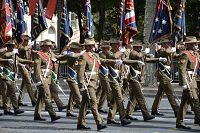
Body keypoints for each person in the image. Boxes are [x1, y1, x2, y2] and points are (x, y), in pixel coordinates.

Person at [76, 38, 117, 131]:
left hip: (94, 83)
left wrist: (114, 61)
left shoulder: (94, 56)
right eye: (92, 45)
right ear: (88, 47)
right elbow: (80, 73)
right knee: (93, 103)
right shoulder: (83, 57)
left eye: (94, 45)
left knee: (84, 104)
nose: (94, 47)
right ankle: (99, 122)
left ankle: (80, 123)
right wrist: (82, 86)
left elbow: (103, 60)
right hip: (88, 84)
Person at [123, 40, 166, 121]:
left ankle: (128, 113)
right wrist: (145, 52)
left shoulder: (139, 53)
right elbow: (138, 56)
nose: (141, 48)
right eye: (139, 46)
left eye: (141, 46)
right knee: (140, 96)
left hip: (138, 77)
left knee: (134, 97)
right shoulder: (133, 53)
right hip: (133, 76)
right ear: (135, 47)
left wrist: (159, 59)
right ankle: (145, 114)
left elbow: (147, 60)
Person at [1, 40, 33, 115]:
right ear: (8, 47)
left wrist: (30, 62)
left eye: (13, 46)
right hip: (6, 74)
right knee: (7, 92)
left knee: (10, 93)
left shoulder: (14, 55)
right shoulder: (4, 54)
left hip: (12, 75)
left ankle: (9, 109)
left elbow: (20, 60)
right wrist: (7, 60)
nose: (13, 48)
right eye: (11, 46)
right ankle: (13, 108)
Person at [106, 37, 132, 126]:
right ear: (112, 45)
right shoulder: (109, 53)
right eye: (117, 44)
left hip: (119, 78)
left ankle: (110, 117)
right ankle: (123, 118)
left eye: (119, 44)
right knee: (119, 98)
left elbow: (124, 61)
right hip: (113, 79)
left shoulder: (120, 53)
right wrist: (121, 51)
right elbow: (114, 57)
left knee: (114, 99)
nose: (118, 46)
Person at [151, 38, 180, 117]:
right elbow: (168, 51)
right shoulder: (162, 50)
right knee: (170, 92)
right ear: (163, 44)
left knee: (160, 93)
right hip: (163, 73)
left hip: (166, 72)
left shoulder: (168, 49)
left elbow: (175, 56)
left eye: (169, 43)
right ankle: (177, 110)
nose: (169, 44)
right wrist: (174, 49)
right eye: (167, 43)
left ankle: (154, 109)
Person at [176, 36, 200, 129]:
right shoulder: (185, 54)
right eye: (194, 43)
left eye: (197, 43)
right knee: (195, 101)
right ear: (189, 45)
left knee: (185, 102)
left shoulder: (195, 54)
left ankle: (179, 122)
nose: (196, 45)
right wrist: (183, 84)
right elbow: (182, 69)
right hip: (188, 81)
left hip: (194, 79)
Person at [33, 39, 61, 122]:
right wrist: (38, 79)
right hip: (43, 78)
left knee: (41, 97)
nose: (50, 48)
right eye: (48, 46)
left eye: (51, 46)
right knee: (47, 96)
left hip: (48, 78)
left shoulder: (51, 54)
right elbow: (37, 68)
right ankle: (53, 114)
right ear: (43, 47)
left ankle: (37, 115)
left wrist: (70, 56)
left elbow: (58, 57)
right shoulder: (39, 55)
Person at [18, 35, 37, 107]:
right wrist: (30, 45)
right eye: (25, 41)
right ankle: (33, 100)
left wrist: (42, 53)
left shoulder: (28, 47)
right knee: (29, 83)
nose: (27, 42)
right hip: (23, 67)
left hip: (29, 67)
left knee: (24, 85)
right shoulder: (21, 47)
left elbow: (33, 52)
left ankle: (19, 100)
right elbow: (24, 49)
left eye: (27, 41)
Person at [96, 41, 112, 113]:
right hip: (103, 75)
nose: (106, 50)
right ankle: (112, 105)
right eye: (105, 48)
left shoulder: (109, 54)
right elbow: (106, 60)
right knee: (108, 90)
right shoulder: (101, 55)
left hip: (108, 74)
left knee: (104, 91)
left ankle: (100, 106)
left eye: (107, 48)